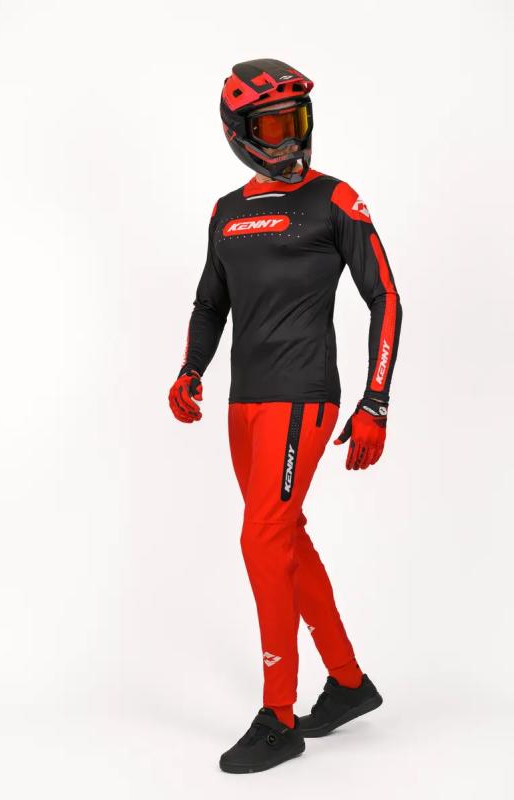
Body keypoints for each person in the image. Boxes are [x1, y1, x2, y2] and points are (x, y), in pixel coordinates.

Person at [168, 58, 402, 774]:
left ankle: (279, 715)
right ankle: (349, 683)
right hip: (244, 401)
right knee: (284, 536)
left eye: (297, 120)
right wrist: (190, 368)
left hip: (304, 394)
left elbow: (385, 297)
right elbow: (210, 302)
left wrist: (376, 400)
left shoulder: (336, 200)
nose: (290, 138)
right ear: (238, 133)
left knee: (262, 538)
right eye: (273, 126)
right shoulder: (225, 212)